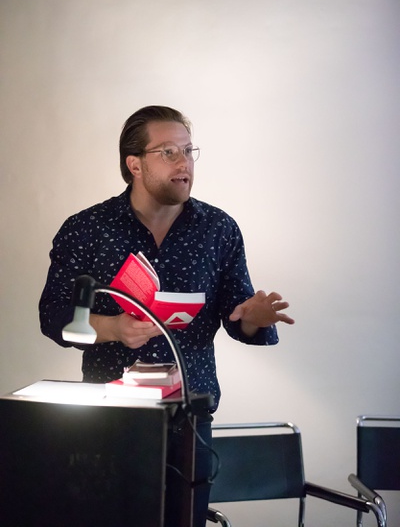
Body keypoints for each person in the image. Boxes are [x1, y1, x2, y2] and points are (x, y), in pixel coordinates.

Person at [39, 104, 294, 527]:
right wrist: (112, 327)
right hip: (108, 417)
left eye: (189, 151)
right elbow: (53, 315)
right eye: (169, 152)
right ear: (134, 164)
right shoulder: (86, 228)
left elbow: (238, 318)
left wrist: (255, 317)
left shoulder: (219, 228)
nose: (184, 163)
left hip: (190, 420)